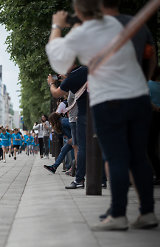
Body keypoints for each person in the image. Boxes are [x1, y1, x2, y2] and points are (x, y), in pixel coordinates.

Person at [46, 0, 157, 230]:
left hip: (110, 100)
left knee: (115, 157)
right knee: (138, 156)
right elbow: (150, 58)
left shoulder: (88, 30)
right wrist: (142, 83)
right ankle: (147, 212)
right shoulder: (132, 24)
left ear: (79, 10)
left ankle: (118, 215)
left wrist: (57, 26)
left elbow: (60, 60)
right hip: (138, 97)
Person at [47, 65, 88, 189]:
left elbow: (56, 93)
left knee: (80, 147)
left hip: (83, 116)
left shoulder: (74, 77)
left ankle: (79, 179)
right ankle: (101, 179)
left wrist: (51, 83)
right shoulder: (88, 69)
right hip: (101, 110)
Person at [148, 67, 160, 184]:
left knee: (150, 147)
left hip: (152, 117)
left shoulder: (148, 85)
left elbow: (146, 100)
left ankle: (156, 173)